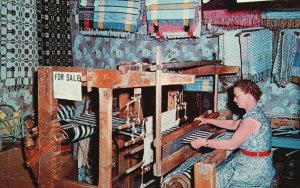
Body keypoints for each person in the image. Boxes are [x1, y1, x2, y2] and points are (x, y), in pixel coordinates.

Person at [191, 79, 275, 187]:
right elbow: (233, 124)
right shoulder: (254, 112)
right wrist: (208, 121)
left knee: (211, 180)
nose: (234, 100)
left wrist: (203, 142)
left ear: (248, 94)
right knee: (218, 174)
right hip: (252, 161)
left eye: (237, 95)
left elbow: (232, 144)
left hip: (255, 169)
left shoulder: (252, 119)